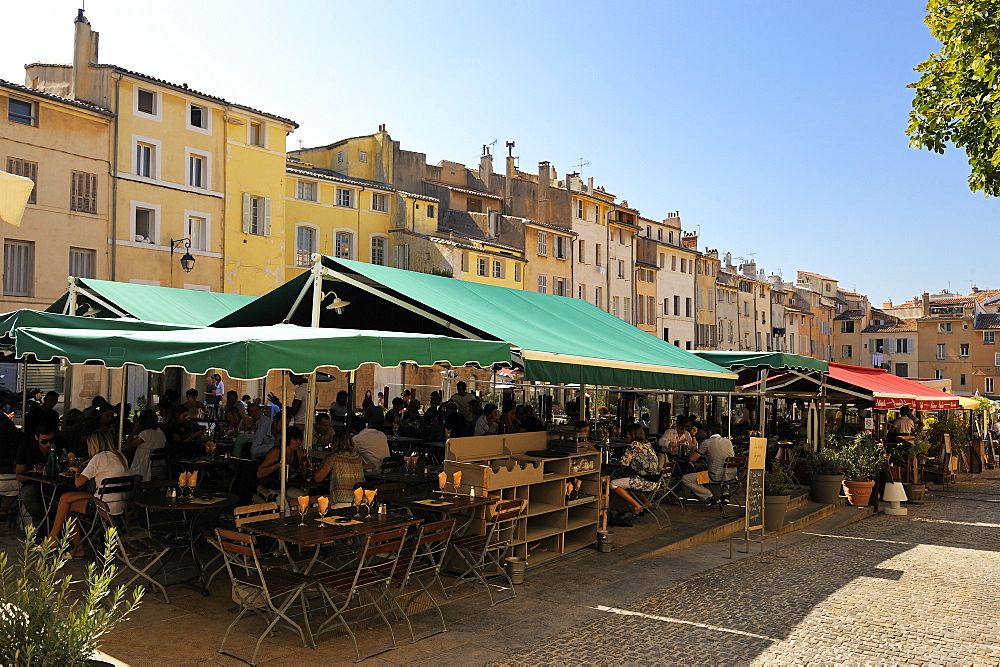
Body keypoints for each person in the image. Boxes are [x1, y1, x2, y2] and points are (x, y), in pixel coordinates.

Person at [44, 432, 129, 560]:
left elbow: (78, 483)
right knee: (65, 499)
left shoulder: (99, 458)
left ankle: (70, 545)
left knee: (66, 505)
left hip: (104, 506)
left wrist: (78, 471)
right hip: (120, 503)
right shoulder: (120, 455)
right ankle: (59, 541)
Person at [15, 422, 55, 538]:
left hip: (54, 483)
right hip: (32, 483)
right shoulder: (26, 447)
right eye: (44, 441)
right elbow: (19, 475)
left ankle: (51, 528)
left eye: (51, 440)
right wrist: (34, 471)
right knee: (29, 494)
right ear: (36, 438)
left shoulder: (59, 444)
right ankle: (44, 527)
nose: (48, 444)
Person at [610, 424, 661, 514]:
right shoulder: (647, 443)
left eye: (627, 434)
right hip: (656, 481)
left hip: (645, 482)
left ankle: (637, 505)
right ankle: (647, 503)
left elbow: (624, 462)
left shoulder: (635, 445)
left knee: (613, 483)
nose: (626, 436)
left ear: (632, 434)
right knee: (631, 482)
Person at [681, 423, 735, 504]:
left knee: (686, 478)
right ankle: (725, 494)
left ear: (710, 432)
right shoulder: (728, 442)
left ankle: (708, 495)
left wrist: (693, 447)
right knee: (723, 469)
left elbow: (692, 459)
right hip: (731, 476)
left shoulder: (707, 442)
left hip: (714, 476)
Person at [256, 426, 307, 504]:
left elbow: (303, 473)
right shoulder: (276, 451)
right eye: (295, 439)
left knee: (304, 498)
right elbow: (259, 473)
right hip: (269, 486)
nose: (298, 442)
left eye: (300, 440)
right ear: (287, 439)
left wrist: (303, 465)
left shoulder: (298, 452)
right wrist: (278, 465)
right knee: (284, 502)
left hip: (286, 486)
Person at [314, 431, 365, 508]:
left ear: (334, 443)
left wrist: (324, 461)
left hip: (341, 502)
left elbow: (318, 478)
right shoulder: (358, 457)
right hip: (360, 501)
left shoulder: (334, 457)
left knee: (316, 504)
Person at [125, 409, 166, 482]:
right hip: (158, 467)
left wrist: (134, 429)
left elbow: (127, 446)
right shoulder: (161, 433)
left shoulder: (145, 434)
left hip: (143, 469)